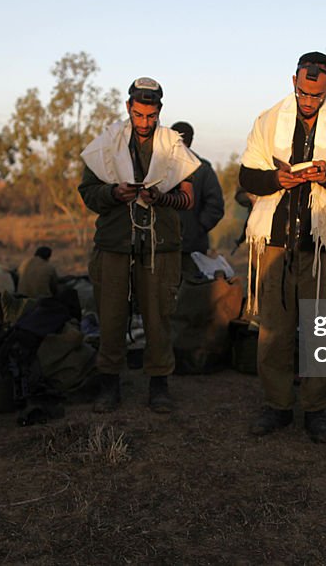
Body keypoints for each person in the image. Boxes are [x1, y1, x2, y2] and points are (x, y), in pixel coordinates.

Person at [239, 52, 326, 443]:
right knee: (274, 333)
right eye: (302, 91)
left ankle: (316, 410)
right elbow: (248, 174)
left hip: (322, 244)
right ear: (292, 82)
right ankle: (278, 405)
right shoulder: (268, 120)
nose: (308, 100)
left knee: (322, 332)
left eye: (316, 94)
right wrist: (277, 178)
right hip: (276, 243)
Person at [79, 77, 199, 414]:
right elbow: (88, 193)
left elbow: (187, 199)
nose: (144, 122)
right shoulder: (106, 145)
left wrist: (161, 198)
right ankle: (109, 385)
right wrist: (113, 193)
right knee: (111, 316)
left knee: (158, 317)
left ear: (159, 111)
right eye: (138, 115)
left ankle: (159, 384)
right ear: (128, 108)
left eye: (151, 116)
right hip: (114, 244)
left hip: (159, 247)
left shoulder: (173, 146)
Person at [169, 121, 225, 277]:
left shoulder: (201, 169)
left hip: (189, 247)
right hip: (173, 245)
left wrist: (196, 229)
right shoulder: (161, 166)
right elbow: (216, 206)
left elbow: (215, 206)